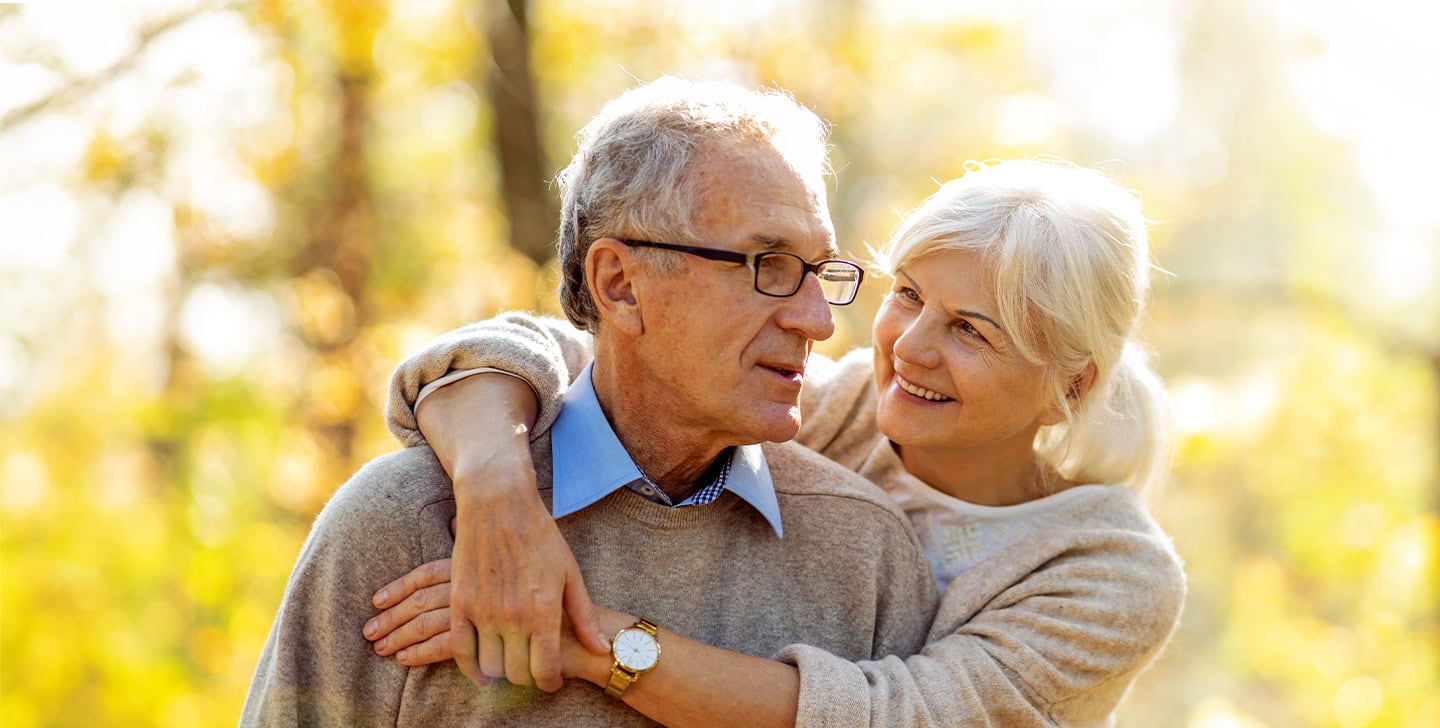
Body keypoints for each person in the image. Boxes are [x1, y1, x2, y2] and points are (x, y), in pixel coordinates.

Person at [368, 157, 1187, 725]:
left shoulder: (1110, 575)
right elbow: (540, 351)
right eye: (908, 295)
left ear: (1071, 387)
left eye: (971, 330)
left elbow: (893, 719)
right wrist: (495, 491)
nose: (911, 347)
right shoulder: (837, 410)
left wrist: (583, 639)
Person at [241, 76, 939, 727]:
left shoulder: (868, 556)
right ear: (620, 285)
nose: (818, 321)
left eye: (820, 274)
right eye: (771, 267)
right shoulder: (402, 528)